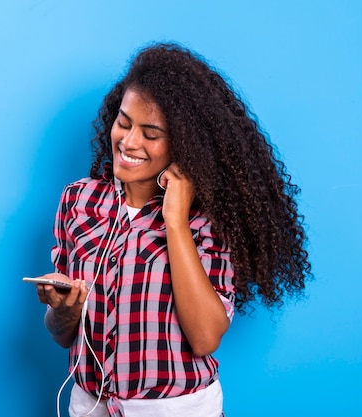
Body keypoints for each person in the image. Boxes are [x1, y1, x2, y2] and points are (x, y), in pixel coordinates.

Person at [32, 42, 311, 417]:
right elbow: (62, 334)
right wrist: (62, 312)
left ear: (183, 143)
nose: (129, 142)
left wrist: (175, 222)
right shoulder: (78, 202)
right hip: (89, 405)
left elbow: (205, 337)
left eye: (151, 133)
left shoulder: (207, 219)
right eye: (124, 122)